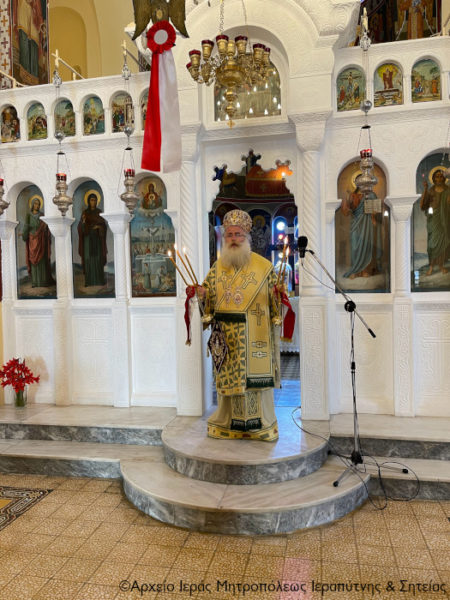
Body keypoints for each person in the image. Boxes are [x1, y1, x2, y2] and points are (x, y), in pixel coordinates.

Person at [197, 209, 282, 442]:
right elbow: (208, 300)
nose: (233, 238)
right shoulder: (217, 267)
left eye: (238, 234)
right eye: (229, 234)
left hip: (254, 333)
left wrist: (277, 295)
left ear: (247, 236)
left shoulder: (264, 267)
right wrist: (202, 295)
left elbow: (275, 302)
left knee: (253, 386)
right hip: (226, 336)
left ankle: (260, 426)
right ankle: (228, 423)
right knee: (229, 383)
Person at [341, 187, 382, 279]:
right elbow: (345, 212)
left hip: (366, 224)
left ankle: (365, 270)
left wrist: (373, 216)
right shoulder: (351, 195)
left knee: (366, 245)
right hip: (355, 224)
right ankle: (355, 270)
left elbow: (376, 210)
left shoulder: (371, 195)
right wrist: (346, 200)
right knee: (354, 246)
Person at [420, 169, 450, 275]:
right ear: (433, 179)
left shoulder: (448, 190)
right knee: (432, 244)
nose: (439, 178)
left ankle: (441, 265)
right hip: (433, 220)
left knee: (443, 243)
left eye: (441, 176)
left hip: (445, 220)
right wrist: (425, 189)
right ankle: (431, 266)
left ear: (444, 178)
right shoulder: (431, 191)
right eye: (437, 176)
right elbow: (423, 206)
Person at [22, 197, 54, 287]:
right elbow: (26, 227)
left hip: (41, 240)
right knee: (33, 261)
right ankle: (35, 282)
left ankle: (43, 282)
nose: (37, 205)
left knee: (42, 261)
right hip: (32, 240)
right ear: (32, 205)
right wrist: (25, 234)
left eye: (38, 204)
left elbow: (46, 227)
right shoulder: (28, 216)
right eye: (35, 204)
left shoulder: (42, 215)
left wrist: (46, 229)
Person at [78, 192, 107, 286]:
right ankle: (89, 281)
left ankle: (99, 281)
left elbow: (104, 226)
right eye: (91, 200)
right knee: (88, 259)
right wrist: (83, 222)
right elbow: (80, 228)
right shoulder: (85, 213)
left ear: (97, 201)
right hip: (87, 240)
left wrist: (99, 227)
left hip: (97, 240)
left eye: (94, 200)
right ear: (88, 201)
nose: (93, 202)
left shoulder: (99, 212)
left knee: (98, 259)